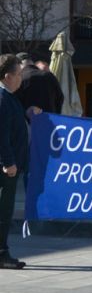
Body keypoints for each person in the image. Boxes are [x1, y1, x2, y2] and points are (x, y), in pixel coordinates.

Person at [0, 55, 32, 269]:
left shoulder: (10, 97)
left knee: (5, 209)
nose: (21, 78)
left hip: (12, 164)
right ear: (7, 76)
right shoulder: (2, 99)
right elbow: (1, 134)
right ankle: (2, 253)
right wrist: (8, 162)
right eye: (19, 74)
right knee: (3, 210)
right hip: (6, 167)